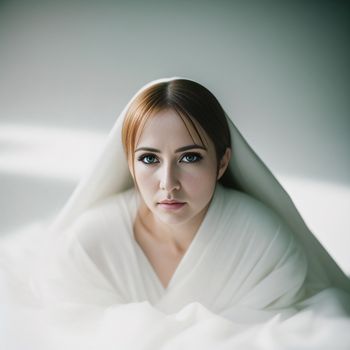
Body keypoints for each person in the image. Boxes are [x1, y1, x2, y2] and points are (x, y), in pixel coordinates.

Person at [1, 77, 350, 349]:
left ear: (223, 162)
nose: (168, 184)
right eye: (149, 159)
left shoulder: (263, 245)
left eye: (190, 157)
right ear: (129, 164)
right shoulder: (89, 245)